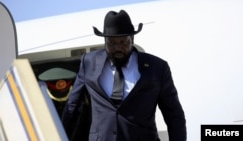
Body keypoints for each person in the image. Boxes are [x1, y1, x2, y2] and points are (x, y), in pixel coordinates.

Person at [61, 10, 187, 141]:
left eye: (123, 42)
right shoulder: (88, 63)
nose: (117, 48)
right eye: (112, 43)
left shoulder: (157, 68)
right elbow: (72, 108)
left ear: (132, 39)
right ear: (105, 41)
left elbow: (174, 115)